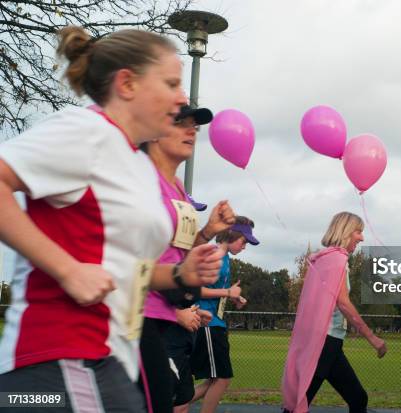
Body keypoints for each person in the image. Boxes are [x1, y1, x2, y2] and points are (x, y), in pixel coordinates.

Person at [0, 26, 223, 412]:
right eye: (170, 83)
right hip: (60, 357)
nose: (181, 97)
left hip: (108, 359)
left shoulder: (135, 163)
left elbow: (126, 269)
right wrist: (68, 270)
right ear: (127, 84)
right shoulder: (87, 131)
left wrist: (180, 274)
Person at [139, 105, 237, 413]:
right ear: (154, 131)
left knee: (178, 400)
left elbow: (177, 256)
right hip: (141, 319)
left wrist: (207, 231)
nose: (192, 130)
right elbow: (129, 259)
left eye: (196, 125)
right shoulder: (140, 183)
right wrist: (178, 311)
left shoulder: (178, 188)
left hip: (169, 318)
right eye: (182, 122)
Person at [282, 212, 387, 413]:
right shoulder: (338, 260)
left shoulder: (323, 259)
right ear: (346, 231)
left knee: (357, 398)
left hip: (326, 342)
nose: (362, 237)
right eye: (358, 231)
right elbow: (343, 303)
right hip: (325, 343)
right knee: (298, 406)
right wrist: (372, 338)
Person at [189, 216, 259, 413]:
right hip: (207, 323)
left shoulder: (225, 258)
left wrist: (233, 297)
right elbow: (194, 290)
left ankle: (172, 404)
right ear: (231, 234)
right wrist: (228, 292)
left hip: (215, 322)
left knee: (216, 380)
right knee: (222, 378)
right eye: (243, 241)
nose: (245, 246)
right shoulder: (213, 255)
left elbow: (215, 288)